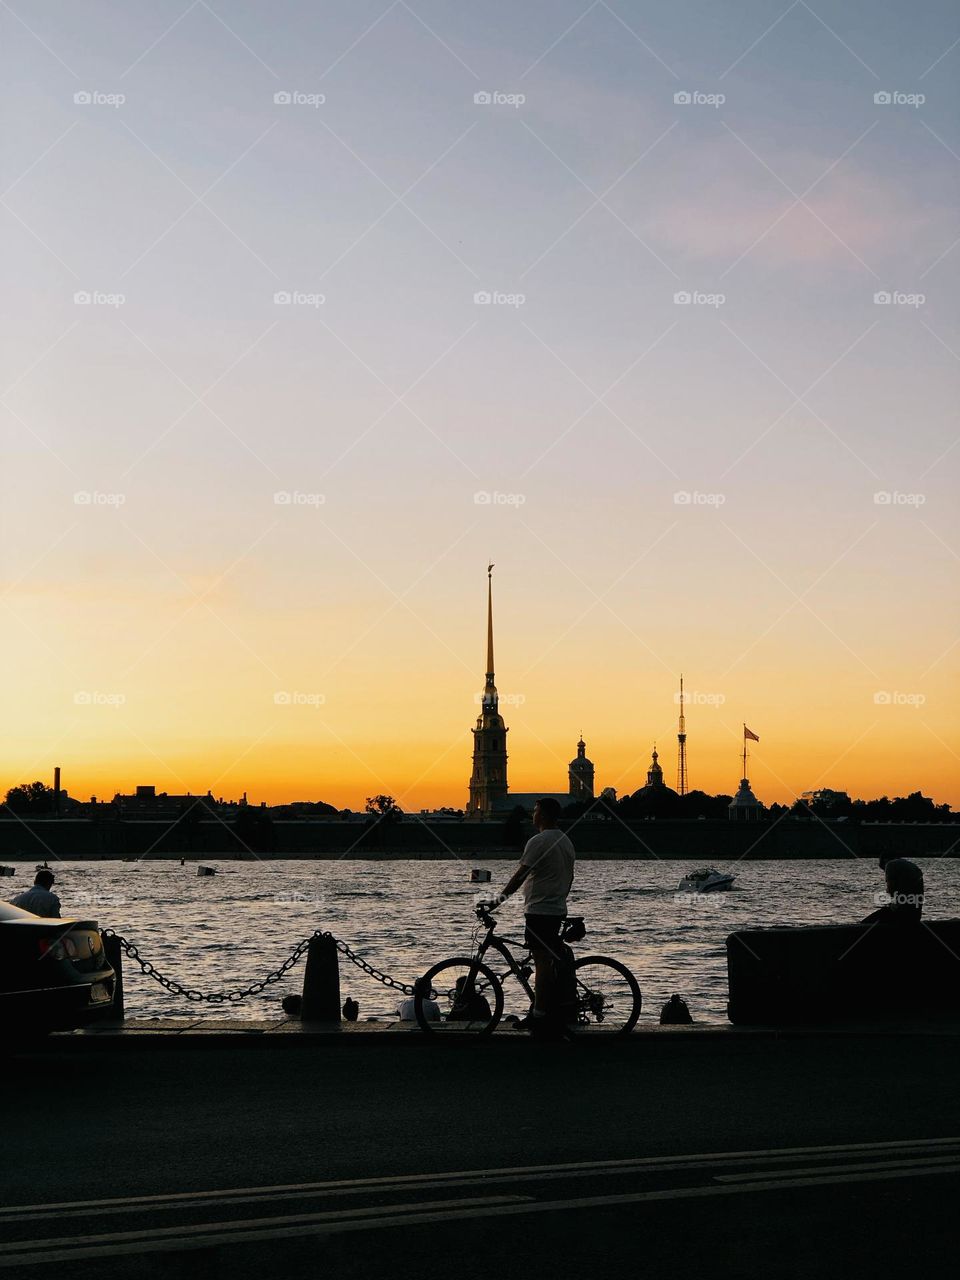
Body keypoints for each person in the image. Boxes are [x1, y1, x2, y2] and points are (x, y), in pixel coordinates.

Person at [485, 797, 575, 1039]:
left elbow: (519, 877)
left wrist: (495, 902)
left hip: (539, 911)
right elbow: (569, 877)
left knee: (542, 963)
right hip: (556, 908)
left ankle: (539, 1014)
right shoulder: (565, 841)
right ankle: (550, 1008)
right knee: (546, 961)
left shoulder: (539, 841)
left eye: (535, 811)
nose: (532, 815)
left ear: (543, 815)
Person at [862, 857, 924, 925]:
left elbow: (892, 889)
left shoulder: (890, 865)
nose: (884, 871)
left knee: (871, 919)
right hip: (915, 912)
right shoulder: (908, 865)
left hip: (902, 912)